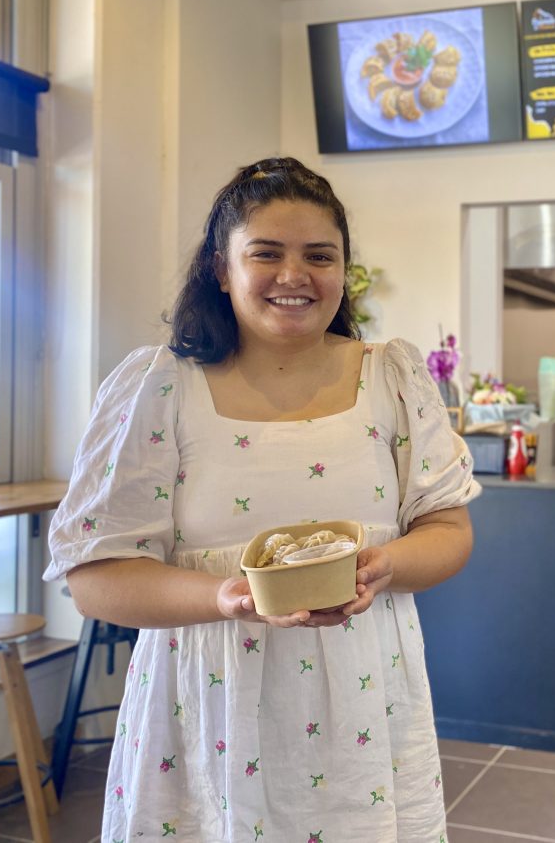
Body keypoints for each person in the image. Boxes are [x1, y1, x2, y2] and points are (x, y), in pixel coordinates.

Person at [45, 156, 479, 841]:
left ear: (345, 272)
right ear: (223, 269)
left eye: (319, 256)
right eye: (266, 254)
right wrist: (226, 598)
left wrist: (384, 566)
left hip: (363, 705)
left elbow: (448, 529)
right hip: (204, 707)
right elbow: (96, 581)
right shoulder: (159, 388)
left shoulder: (392, 379)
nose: (294, 276)